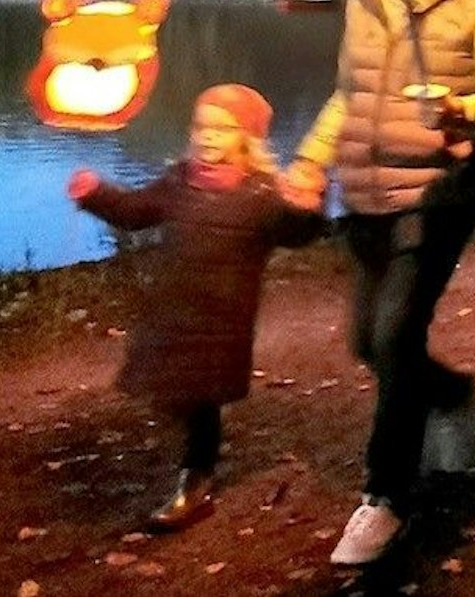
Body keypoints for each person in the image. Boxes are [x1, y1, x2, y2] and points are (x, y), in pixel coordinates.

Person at [286, 0, 475, 566]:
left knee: (395, 334)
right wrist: (310, 159)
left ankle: (386, 496)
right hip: (365, 190)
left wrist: (461, 112)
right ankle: (450, 392)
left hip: (437, 192)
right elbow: (349, 93)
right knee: (368, 340)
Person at [68, 85, 323, 534]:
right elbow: (134, 211)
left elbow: (296, 232)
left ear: (246, 138)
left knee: (200, 397)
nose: (207, 137)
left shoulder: (261, 194)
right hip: (173, 309)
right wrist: (96, 194)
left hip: (223, 320)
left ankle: (195, 480)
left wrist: (307, 209)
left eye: (221, 129)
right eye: (202, 127)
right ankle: (197, 457)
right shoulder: (178, 182)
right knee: (172, 388)